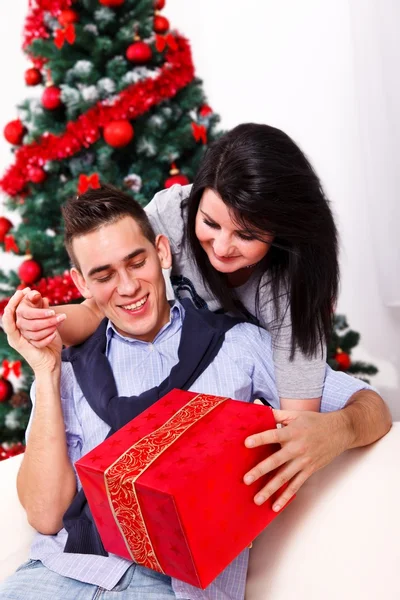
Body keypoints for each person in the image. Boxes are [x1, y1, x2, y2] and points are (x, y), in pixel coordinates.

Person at [1, 185, 391, 600]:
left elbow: (372, 407)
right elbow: (45, 516)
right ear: (82, 282)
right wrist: (45, 372)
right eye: (104, 275)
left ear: (162, 253)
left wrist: (337, 430)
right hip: (56, 573)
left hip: (173, 587)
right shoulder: (70, 365)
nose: (129, 287)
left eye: (137, 262)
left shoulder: (240, 345)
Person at [16, 122, 341, 504]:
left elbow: (299, 429)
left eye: (246, 235)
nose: (221, 247)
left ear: (281, 233)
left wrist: (339, 429)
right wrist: (43, 322)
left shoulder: (289, 295)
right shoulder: (172, 215)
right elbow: (104, 302)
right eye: (210, 223)